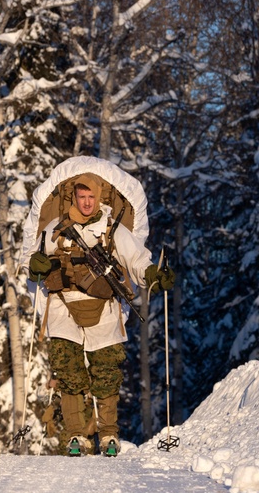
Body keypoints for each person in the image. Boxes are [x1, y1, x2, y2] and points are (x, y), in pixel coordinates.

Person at [28, 172, 174, 456]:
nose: (85, 202)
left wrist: (153, 275)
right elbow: (35, 262)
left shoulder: (113, 230)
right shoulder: (55, 229)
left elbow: (136, 259)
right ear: (74, 197)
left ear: (98, 198)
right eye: (81, 197)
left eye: (90, 197)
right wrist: (38, 265)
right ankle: (76, 437)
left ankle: (108, 435)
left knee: (106, 371)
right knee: (69, 372)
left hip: (104, 307)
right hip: (63, 306)